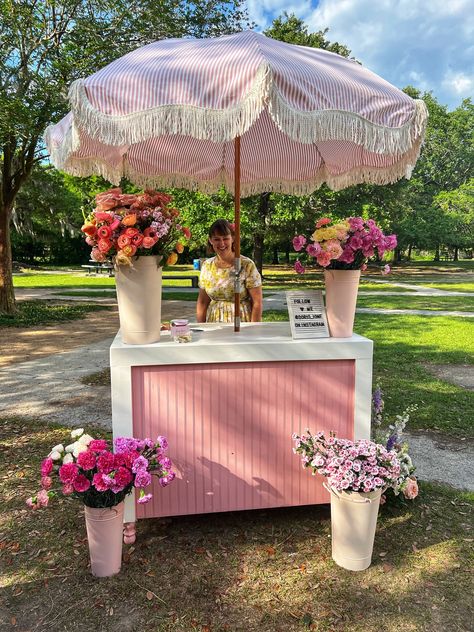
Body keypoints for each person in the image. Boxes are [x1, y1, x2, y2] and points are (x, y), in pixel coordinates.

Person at [196, 219, 263, 323]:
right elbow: (202, 302)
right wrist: (200, 328)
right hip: (214, 323)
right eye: (217, 239)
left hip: (241, 323)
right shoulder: (207, 266)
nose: (222, 243)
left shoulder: (246, 265)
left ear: (233, 239)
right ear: (210, 240)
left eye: (225, 238)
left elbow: (257, 302)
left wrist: (253, 329)